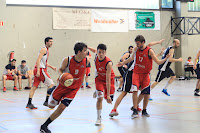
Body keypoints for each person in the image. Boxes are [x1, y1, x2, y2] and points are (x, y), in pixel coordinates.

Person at [40, 42, 88, 133]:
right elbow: (60, 69)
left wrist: (82, 83)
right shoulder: (68, 60)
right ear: (79, 52)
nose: (87, 53)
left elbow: (84, 70)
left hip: (74, 89)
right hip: (63, 86)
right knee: (50, 106)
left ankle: (44, 126)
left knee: (62, 107)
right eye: (85, 51)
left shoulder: (86, 60)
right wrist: (63, 76)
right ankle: (52, 89)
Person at [109, 39, 165, 117]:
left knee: (144, 91)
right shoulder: (136, 50)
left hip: (140, 73)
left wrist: (158, 43)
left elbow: (152, 53)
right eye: (136, 44)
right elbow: (128, 58)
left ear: (142, 43)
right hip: (130, 73)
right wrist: (123, 63)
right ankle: (114, 109)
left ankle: (135, 106)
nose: (136, 45)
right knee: (125, 92)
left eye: (138, 44)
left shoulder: (147, 50)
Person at [88, 44, 115, 125]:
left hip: (108, 80)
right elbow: (94, 50)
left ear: (105, 52)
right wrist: (87, 47)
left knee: (108, 100)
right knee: (100, 98)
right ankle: (99, 118)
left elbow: (108, 80)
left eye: (103, 52)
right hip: (99, 79)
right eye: (99, 52)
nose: (101, 54)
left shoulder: (108, 63)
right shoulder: (96, 56)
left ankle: (98, 91)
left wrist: (109, 95)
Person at [26, 37, 56, 109]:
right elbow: (38, 60)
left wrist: (51, 67)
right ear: (46, 42)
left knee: (34, 87)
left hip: (39, 69)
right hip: (41, 70)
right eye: (50, 41)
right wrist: (39, 70)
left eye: (52, 41)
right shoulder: (44, 49)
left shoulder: (46, 50)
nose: (51, 43)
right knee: (51, 84)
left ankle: (29, 103)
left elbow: (44, 62)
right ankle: (46, 101)